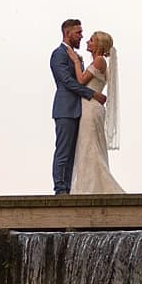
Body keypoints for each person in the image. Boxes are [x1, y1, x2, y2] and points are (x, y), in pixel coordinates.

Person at [49, 19, 106, 195]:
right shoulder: (59, 54)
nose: (82, 36)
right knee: (64, 151)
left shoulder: (77, 57)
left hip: (81, 111)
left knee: (75, 154)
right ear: (67, 33)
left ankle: (68, 189)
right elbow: (67, 82)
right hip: (65, 109)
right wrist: (92, 94)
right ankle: (60, 190)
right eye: (78, 33)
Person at [66, 31, 124, 194]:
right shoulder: (98, 62)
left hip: (90, 109)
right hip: (90, 107)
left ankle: (94, 188)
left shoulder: (99, 61)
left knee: (90, 147)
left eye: (91, 40)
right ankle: (88, 186)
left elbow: (81, 81)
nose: (87, 42)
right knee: (88, 147)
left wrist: (76, 62)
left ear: (98, 45)